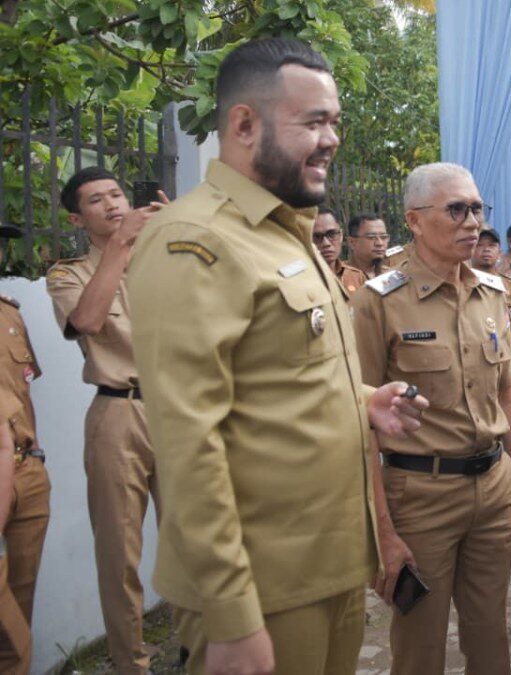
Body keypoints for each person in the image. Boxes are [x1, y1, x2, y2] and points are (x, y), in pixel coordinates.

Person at [126, 38, 426, 674]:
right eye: (313, 122)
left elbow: (280, 376)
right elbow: (187, 442)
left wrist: (364, 401)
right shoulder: (196, 240)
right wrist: (232, 614)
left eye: (334, 122)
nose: (331, 139)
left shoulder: (285, 234)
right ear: (243, 124)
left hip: (330, 567)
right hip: (262, 588)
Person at [351, 162, 511, 675]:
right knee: (420, 646)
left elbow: (507, 395)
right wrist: (383, 532)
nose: (472, 222)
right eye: (456, 209)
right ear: (414, 220)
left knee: (491, 638)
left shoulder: (492, 293)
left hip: (493, 489)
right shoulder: (378, 302)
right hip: (420, 496)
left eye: (477, 208)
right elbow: (359, 423)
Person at [44, 167, 165, 674]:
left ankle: (202, 648)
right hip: (118, 412)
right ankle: (131, 662)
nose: (113, 204)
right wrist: (119, 246)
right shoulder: (67, 274)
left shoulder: (166, 258)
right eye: (96, 200)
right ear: (77, 218)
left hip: (179, 411)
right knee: (119, 553)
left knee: (199, 539)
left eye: (117, 194)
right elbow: (88, 321)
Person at [0, 224, 50, 675]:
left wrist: (33, 458)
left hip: (26, 472)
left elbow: (24, 389)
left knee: (21, 596)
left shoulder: (8, 313)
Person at [472, 226, 511, 341]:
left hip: (504, 346)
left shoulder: (509, 285)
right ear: (470, 250)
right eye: (479, 245)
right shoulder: (462, 282)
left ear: (500, 253)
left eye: (492, 245)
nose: (486, 249)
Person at [314, 206, 367, 293]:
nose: (326, 243)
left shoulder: (356, 277)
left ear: (341, 235)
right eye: (317, 236)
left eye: (332, 234)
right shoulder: (301, 279)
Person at [346, 213, 389, 278]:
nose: (380, 243)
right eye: (371, 237)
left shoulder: (390, 275)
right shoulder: (340, 277)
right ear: (352, 242)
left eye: (383, 237)